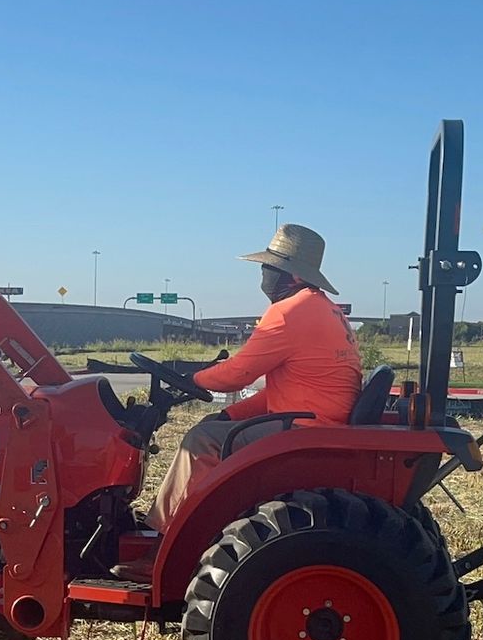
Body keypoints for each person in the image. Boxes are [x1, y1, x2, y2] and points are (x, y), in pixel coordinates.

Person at [116, 224, 360, 580]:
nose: (264, 276)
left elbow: (238, 374)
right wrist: (230, 412)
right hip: (311, 419)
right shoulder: (326, 310)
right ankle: (177, 525)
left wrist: (191, 379)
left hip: (304, 428)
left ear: (290, 274)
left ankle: (162, 546)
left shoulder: (291, 311)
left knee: (201, 441)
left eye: (269, 269)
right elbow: (284, 391)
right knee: (214, 426)